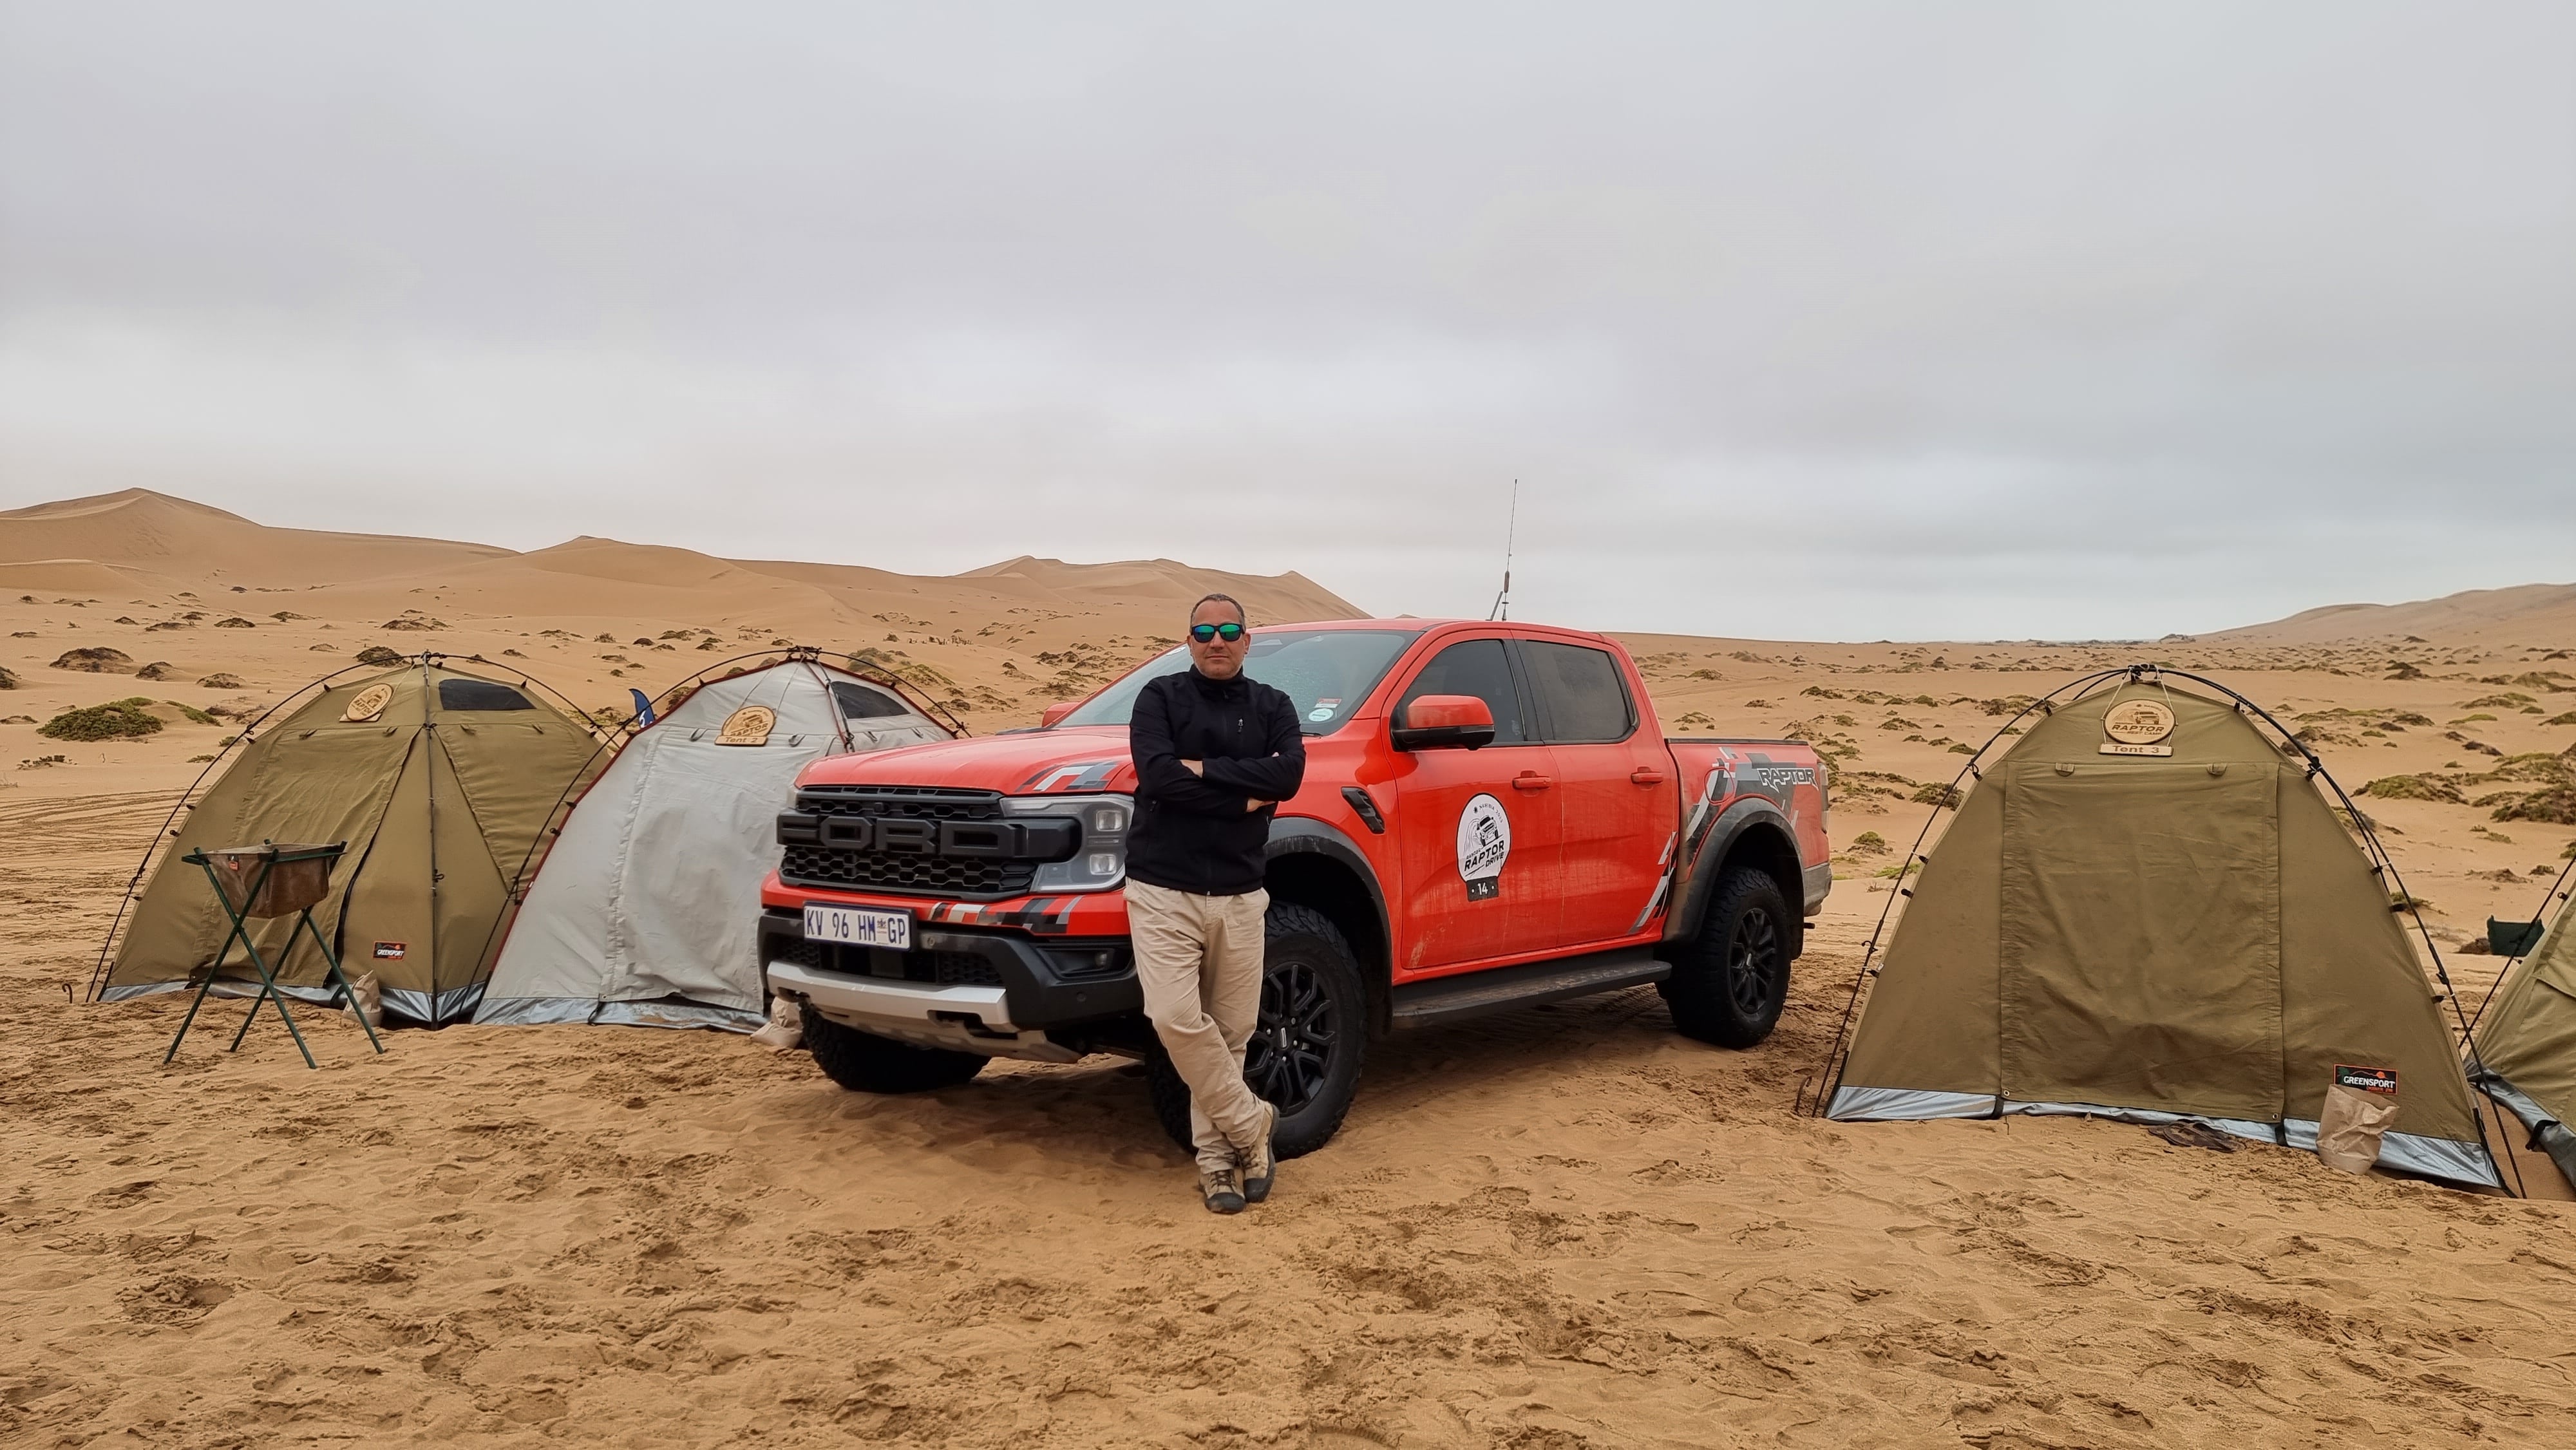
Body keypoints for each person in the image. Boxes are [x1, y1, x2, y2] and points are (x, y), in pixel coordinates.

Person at [1125, 592, 1306, 1213]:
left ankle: (1220, 1163)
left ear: (1247, 640)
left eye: (1229, 630)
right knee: (1175, 1018)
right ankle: (1254, 1122)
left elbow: (1287, 777)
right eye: (1204, 632)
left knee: (1231, 1034)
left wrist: (1200, 771)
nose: (1217, 641)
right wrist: (1239, 796)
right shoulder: (1159, 698)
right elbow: (1158, 776)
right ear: (1189, 641)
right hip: (1162, 890)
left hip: (1240, 893)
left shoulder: (1273, 705)